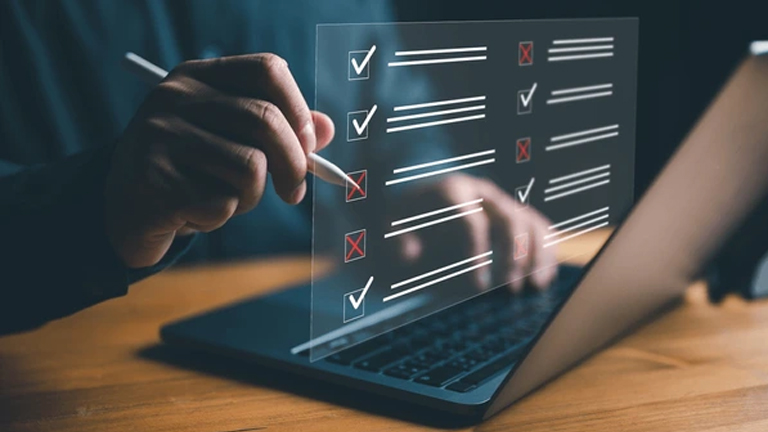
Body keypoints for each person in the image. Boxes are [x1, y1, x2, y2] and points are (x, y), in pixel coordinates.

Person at [0, 0, 555, 335]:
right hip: (79, 349)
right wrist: (98, 208)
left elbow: (385, 92)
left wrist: (429, 180)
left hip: (328, 314)